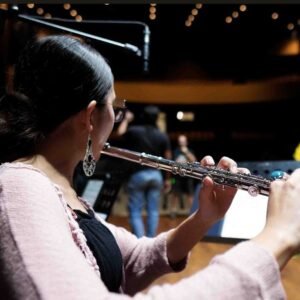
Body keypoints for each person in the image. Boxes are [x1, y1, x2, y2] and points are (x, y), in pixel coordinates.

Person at [0, 34, 299, 300]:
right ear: (91, 117)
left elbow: (132, 259)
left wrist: (205, 217)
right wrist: (275, 241)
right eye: (115, 110)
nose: (115, 120)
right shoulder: (20, 189)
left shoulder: (58, 190)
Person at [116, 106, 172, 237]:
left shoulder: (135, 131)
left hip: (138, 174)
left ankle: (140, 243)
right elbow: (168, 159)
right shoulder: (162, 135)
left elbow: (119, 133)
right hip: (156, 175)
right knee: (153, 210)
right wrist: (167, 179)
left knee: (135, 210)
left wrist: (126, 120)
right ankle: (151, 241)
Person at [169, 134, 197, 218]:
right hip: (176, 177)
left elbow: (194, 161)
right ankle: (173, 211)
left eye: (183, 141)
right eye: (180, 141)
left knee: (190, 194)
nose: (181, 143)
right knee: (175, 194)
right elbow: (172, 163)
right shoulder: (175, 151)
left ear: (186, 142)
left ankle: (192, 212)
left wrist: (186, 152)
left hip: (188, 177)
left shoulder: (190, 151)